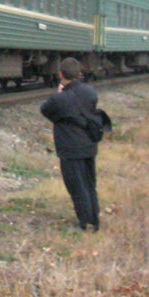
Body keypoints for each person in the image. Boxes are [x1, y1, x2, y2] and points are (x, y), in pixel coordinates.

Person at [40, 57, 101, 232]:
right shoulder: (90, 92)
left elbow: (45, 110)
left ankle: (84, 224)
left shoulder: (60, 99)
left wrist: (59, 94)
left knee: (76, 186)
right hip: (89, 145)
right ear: (79, 74)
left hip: (70, 148)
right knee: (89, 184)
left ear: (60, 75)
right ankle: (94, 220)